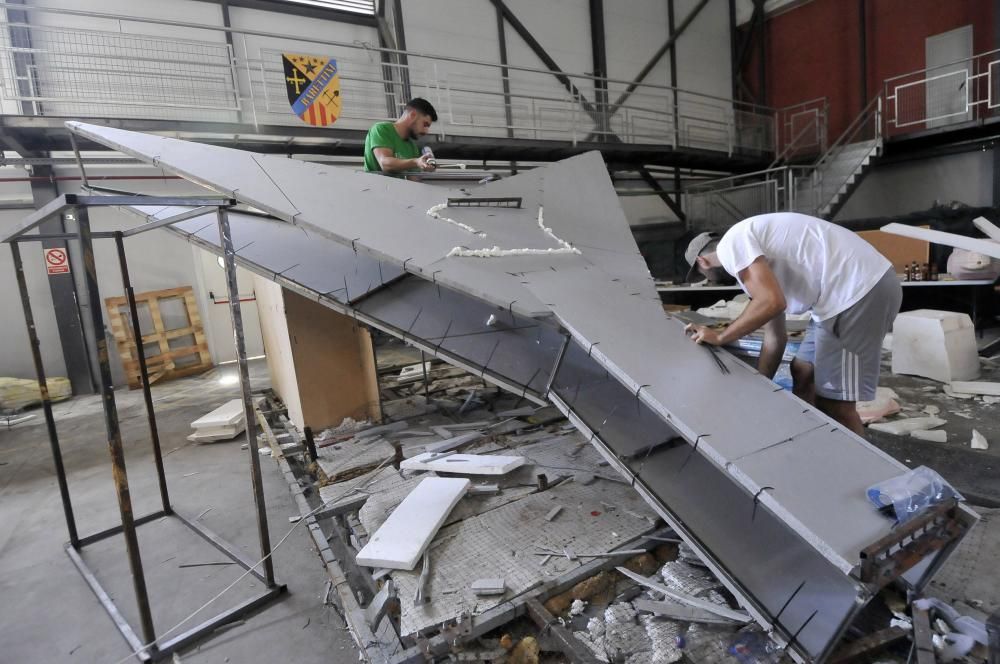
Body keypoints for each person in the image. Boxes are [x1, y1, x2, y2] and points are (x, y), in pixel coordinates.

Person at [682, 212, 902, 435]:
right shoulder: (756, 265)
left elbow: (771, 302)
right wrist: (760, 385)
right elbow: (775, 339)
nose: (709, 280)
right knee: (802, 371)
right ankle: (806, 438)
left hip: (857, 292)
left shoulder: (733, 244)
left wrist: (720, 336)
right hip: (834, 301)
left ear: (703, 261)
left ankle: (856, 467)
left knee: (836, 403)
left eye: (704, 276)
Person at [363, 98, 438, 175]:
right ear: (413, 115)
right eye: (425, 124)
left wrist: (424, 167)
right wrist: (416, 162)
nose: (426, 131)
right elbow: (385, 164)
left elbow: (414, 182)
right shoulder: (381, 129)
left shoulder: (412, 147)